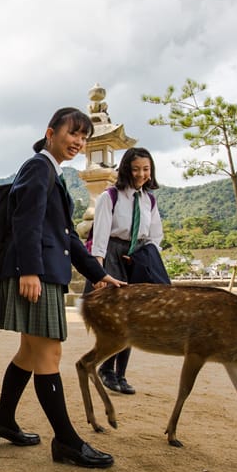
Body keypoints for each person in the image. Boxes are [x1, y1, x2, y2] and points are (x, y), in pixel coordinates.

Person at [0, 107, 125, 469]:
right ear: (51, 133)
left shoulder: (51, 172)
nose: (78, 142)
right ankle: (66, 442)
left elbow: (65, 237)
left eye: (84, 137)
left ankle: (2, 421)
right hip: (37, 275)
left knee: (30, 355)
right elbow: (26, 221)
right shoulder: (39, 167)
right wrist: (29, 270)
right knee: (49, 357)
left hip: (42, 272)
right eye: (73, 134)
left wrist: (97, 273)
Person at [87, 147, 169, 396]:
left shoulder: (149, 200)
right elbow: (100, 234)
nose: (141, 174)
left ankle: (120, 374)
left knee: (133, 316)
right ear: (125, 169)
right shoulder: (110, 196)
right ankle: (106, 369)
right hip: (112, 253)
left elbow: (156, 236)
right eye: (135, 169)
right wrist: (97, 270)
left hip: (137, 255)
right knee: (117, 317)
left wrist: (145, 258)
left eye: (146, 169)